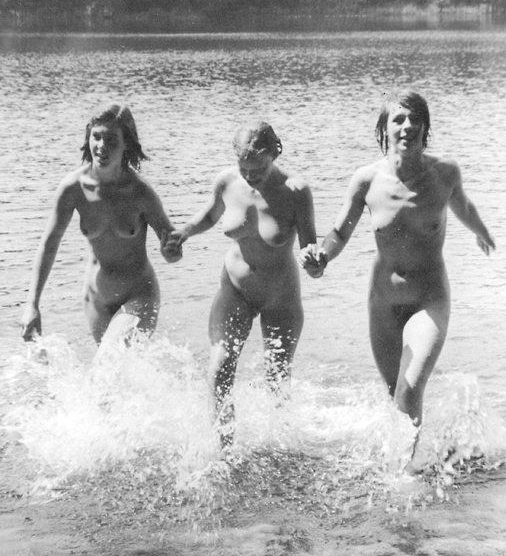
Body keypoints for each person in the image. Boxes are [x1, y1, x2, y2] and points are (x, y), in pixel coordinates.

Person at [301, 91, 495, 426]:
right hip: (383, 302)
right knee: (395, 393)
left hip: (429, 299)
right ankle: (421, 449)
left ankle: (408, 461)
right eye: (399, 119)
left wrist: (481, 231)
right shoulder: (366, 180)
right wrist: (322, 257)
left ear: (425, 127)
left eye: (415, 119)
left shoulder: (445, 173)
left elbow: (463, 205)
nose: (408, 126)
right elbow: (339, 233)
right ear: (384, 129)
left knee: (410, 388)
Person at [165, 121, 318, 442]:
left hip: (281, 296)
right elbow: (210, 215)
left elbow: (309, 246)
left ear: (275, 153)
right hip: (236, 290)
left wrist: (314, 263)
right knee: (220, 367)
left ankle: (280, 447)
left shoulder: (296, 191)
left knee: (277, 379)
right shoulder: (227, 182)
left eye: (258, 168)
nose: (250, 175)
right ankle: (223, 447)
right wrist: (184, 232)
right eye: (243, 167)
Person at [20, 104, 182, 346]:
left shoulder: (141, 193)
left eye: (111, 139)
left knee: (108, 360)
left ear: (127, 143)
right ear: (88, 138)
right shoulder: (73, 188)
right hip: (96, 299)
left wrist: (172, 250)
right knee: (109, 369)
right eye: (96, 136)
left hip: (139, 296)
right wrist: (32, 304)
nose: (102, 146)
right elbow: (49, 245)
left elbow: (172, 251)